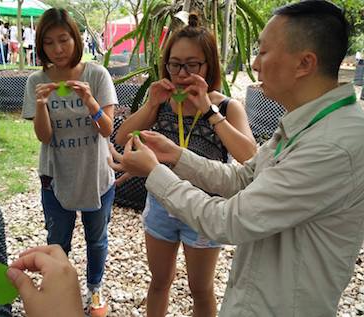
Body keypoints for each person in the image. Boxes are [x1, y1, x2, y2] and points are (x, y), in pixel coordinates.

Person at [110, 1, 364, 316]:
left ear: (304, 64)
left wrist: (155, 173)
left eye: (264, 52)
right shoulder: (304, 123)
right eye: (175, 64)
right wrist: (177, 156)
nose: (255, 64)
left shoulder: (331, 146)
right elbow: (244, 178)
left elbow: (228, 220)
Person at [115, 13, 256, 317]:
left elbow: (250, 157)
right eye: (175, 64)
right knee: (159, 282)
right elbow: (122, 136)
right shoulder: (163, 102)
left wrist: (208, 111)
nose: (182, 73)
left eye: (192, 65)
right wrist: (152, 104)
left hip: (204, 211)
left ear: (209, 66)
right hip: (161, 205)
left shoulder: (227, 107)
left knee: (201, 289)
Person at [22, 8, 117, 317]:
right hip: (55, 176)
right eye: (49, 42)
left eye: (64, 40)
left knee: (96, 238)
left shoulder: (97, 75)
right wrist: (40, 106)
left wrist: (90, 101)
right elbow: (45, 137)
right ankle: (58, 292)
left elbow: (107, 130)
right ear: (41, 46)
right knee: (58, 242)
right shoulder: (37, 81)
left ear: (76, 39)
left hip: (96, 175)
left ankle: (94, 288)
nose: (58, 49)